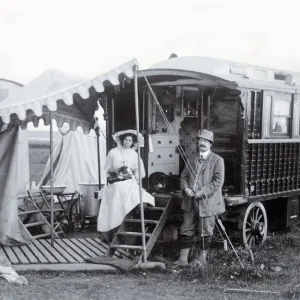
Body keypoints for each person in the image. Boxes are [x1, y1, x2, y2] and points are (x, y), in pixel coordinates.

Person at [174, 129, 225, 267]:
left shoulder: (217, 160)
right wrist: (186, 189)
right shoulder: (192, 158)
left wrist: (201, 192)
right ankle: (183, 260)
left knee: (205, 229)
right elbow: (184, 176)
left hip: (207, 201)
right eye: (200, 140)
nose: (202, 143)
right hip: (189, 200)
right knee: (186, 228)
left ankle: (202, 259)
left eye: (206, 141)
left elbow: (217, 182)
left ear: (210, 144)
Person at [97, 130, 155, 239]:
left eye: (130, 140)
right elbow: (107, 169)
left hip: (129, 180)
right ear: (121, 140)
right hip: (115, 181)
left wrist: (135, 175)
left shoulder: (134, 154)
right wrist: (117, 170)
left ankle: (128, 217)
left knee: (134, 192)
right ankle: (115, 223)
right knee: (119, 188)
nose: (127, 142)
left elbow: (140, 171)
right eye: (126, 140)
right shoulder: (113, 152)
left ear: (132, 142)